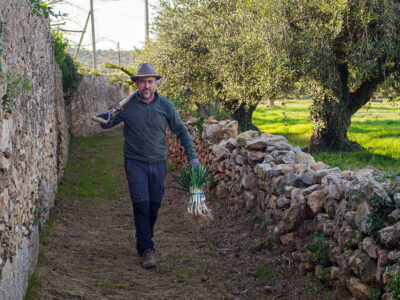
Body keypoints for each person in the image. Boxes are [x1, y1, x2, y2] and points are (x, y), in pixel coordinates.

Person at [100, 63, 199, 269]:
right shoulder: (126, 106)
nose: (146, 85)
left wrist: (193, 158)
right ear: (136, 83)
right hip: (135, 162)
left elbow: (181, 131)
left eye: (150, 81)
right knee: (141, 204)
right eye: (142, 81)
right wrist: (111, 111)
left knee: (154, 205)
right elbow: (105, 122)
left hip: (157, 163)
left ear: (156, 83)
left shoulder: (165, 106)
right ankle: (147, 249)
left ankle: (143, 237)